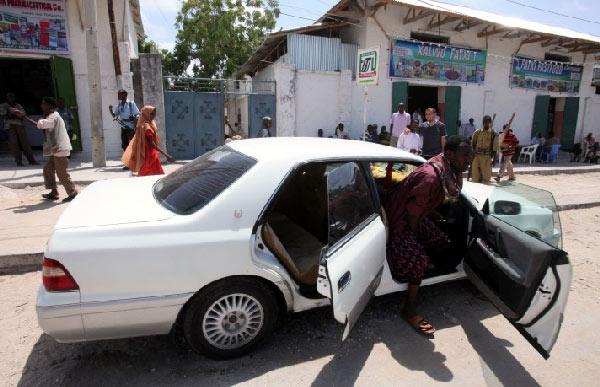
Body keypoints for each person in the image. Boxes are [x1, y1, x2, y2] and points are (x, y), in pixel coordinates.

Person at [386, 135, 473, 336]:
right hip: (399, 221)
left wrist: (432, 216)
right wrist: (415, 241)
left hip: (414, 215)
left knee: (441, 240)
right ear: (449, 154)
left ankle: (426, 270)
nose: (468, 161)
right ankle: (408, 308)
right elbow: (411, 215)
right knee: (418, 262)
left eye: (470, 156)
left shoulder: (446, 170)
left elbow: (426, 202)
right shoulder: (431, 176)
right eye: (464, 156)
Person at [15, 97, 77, 202]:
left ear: (50, 106)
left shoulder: (53, 117)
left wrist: (24, 117)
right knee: (48, 170)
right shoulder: (51, 116)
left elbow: (40, 125)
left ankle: (72, 192)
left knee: (61, 173)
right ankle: (54, 192)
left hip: (60, 149)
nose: (41, 106)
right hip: (55, 149)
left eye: (44, 104)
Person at [122, 106, 173, 176]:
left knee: (153, 175)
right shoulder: (147, 126)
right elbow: (152, 144)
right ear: (146, 114)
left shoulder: (149, 124)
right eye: (152, 114)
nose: (154, 116)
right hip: (149, 156)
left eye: (154, 114)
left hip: (150, 155)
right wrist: (166, 155)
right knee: (149, 175)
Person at [0, 92, 38, 166]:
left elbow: (23, 114)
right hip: (9, 126)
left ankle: (31, 160)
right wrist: (15, 114)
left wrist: (13, 113)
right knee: (14, 144)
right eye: (9, 96)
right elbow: (4, 115)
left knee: (25, 143)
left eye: (12, 96)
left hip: (19, 125)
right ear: (7, 98)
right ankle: (19, 162)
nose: (11, 98)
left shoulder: (18, 105)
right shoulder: (3, 105)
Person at [109, 89, 140, 158]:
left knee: (133, 145)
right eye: (118, 94)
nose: (118, 95)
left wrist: (134, 117)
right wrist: (111, 110)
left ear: (125, 95)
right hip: (124, 127)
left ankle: (134, 161)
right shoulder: (119, 105)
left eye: (119, 94)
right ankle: (128, 161)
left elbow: (138, 114)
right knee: (124, 145)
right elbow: (115, 115)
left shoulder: (131, 104)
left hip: (131, 127)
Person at [471, 115, 498, 184]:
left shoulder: (493, 133)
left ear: (490, 122)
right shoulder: (477, 132)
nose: (486, 123)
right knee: (475, 177)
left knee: (486, 178)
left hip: (486, 157)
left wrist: (495, 159)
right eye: (484, 122)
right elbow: (473, 144)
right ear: (483, 122)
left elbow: (495, 147)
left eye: (488, 122)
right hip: (477, 156)